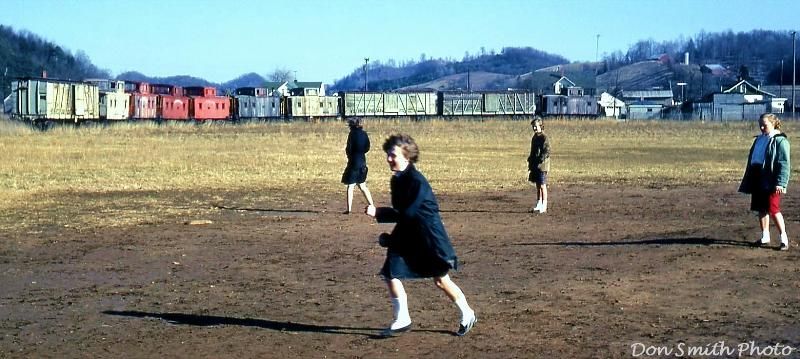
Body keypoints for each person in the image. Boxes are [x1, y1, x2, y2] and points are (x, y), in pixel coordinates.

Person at [365, 133, 476, 337]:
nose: (389, 159)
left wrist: (380, 213)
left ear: (406, 156)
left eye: (393, 155)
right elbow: (404, 215)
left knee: (441, 280)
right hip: (409, 233)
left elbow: (408, 214)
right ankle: (402, 318)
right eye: (388, 155)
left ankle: (467, 313)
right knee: (391, 273)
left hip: (428, 238)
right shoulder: (397, 179)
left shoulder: (416, 181)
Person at [739, 113, 791, 250]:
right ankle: (765, 236)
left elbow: (784, 163)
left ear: (773, 124)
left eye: (765, 125)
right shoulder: (759, 140)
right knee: (760, 208)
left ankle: (783, 238)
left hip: (771, 179)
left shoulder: (780, 141)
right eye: (760, 124)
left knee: (773, 208)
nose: (762, 127)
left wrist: (781, 182)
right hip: (757, 176)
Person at [341, 117, 374, 214]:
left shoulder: (352, 134)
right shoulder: (364, 134)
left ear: (351, 125)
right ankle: (372, 205)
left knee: (351, 186)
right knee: (363, 186)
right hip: (363, 161)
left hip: (353, 162)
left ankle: (349, 209)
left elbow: (349, 148)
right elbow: (367, 147)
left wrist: (350, 156)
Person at [527, 117, 551, 213]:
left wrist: (541, 159)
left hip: (543, 165)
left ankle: (544, 205)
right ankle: (538, 203)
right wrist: (531, 160)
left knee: (542, 185)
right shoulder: (534, 138)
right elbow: (532, 151)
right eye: (533, 127)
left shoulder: (544, 138)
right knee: (537, 185)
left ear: (541, 126)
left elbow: (547, 151)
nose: (534, 128)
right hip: (535, 165)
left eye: (536, 126)